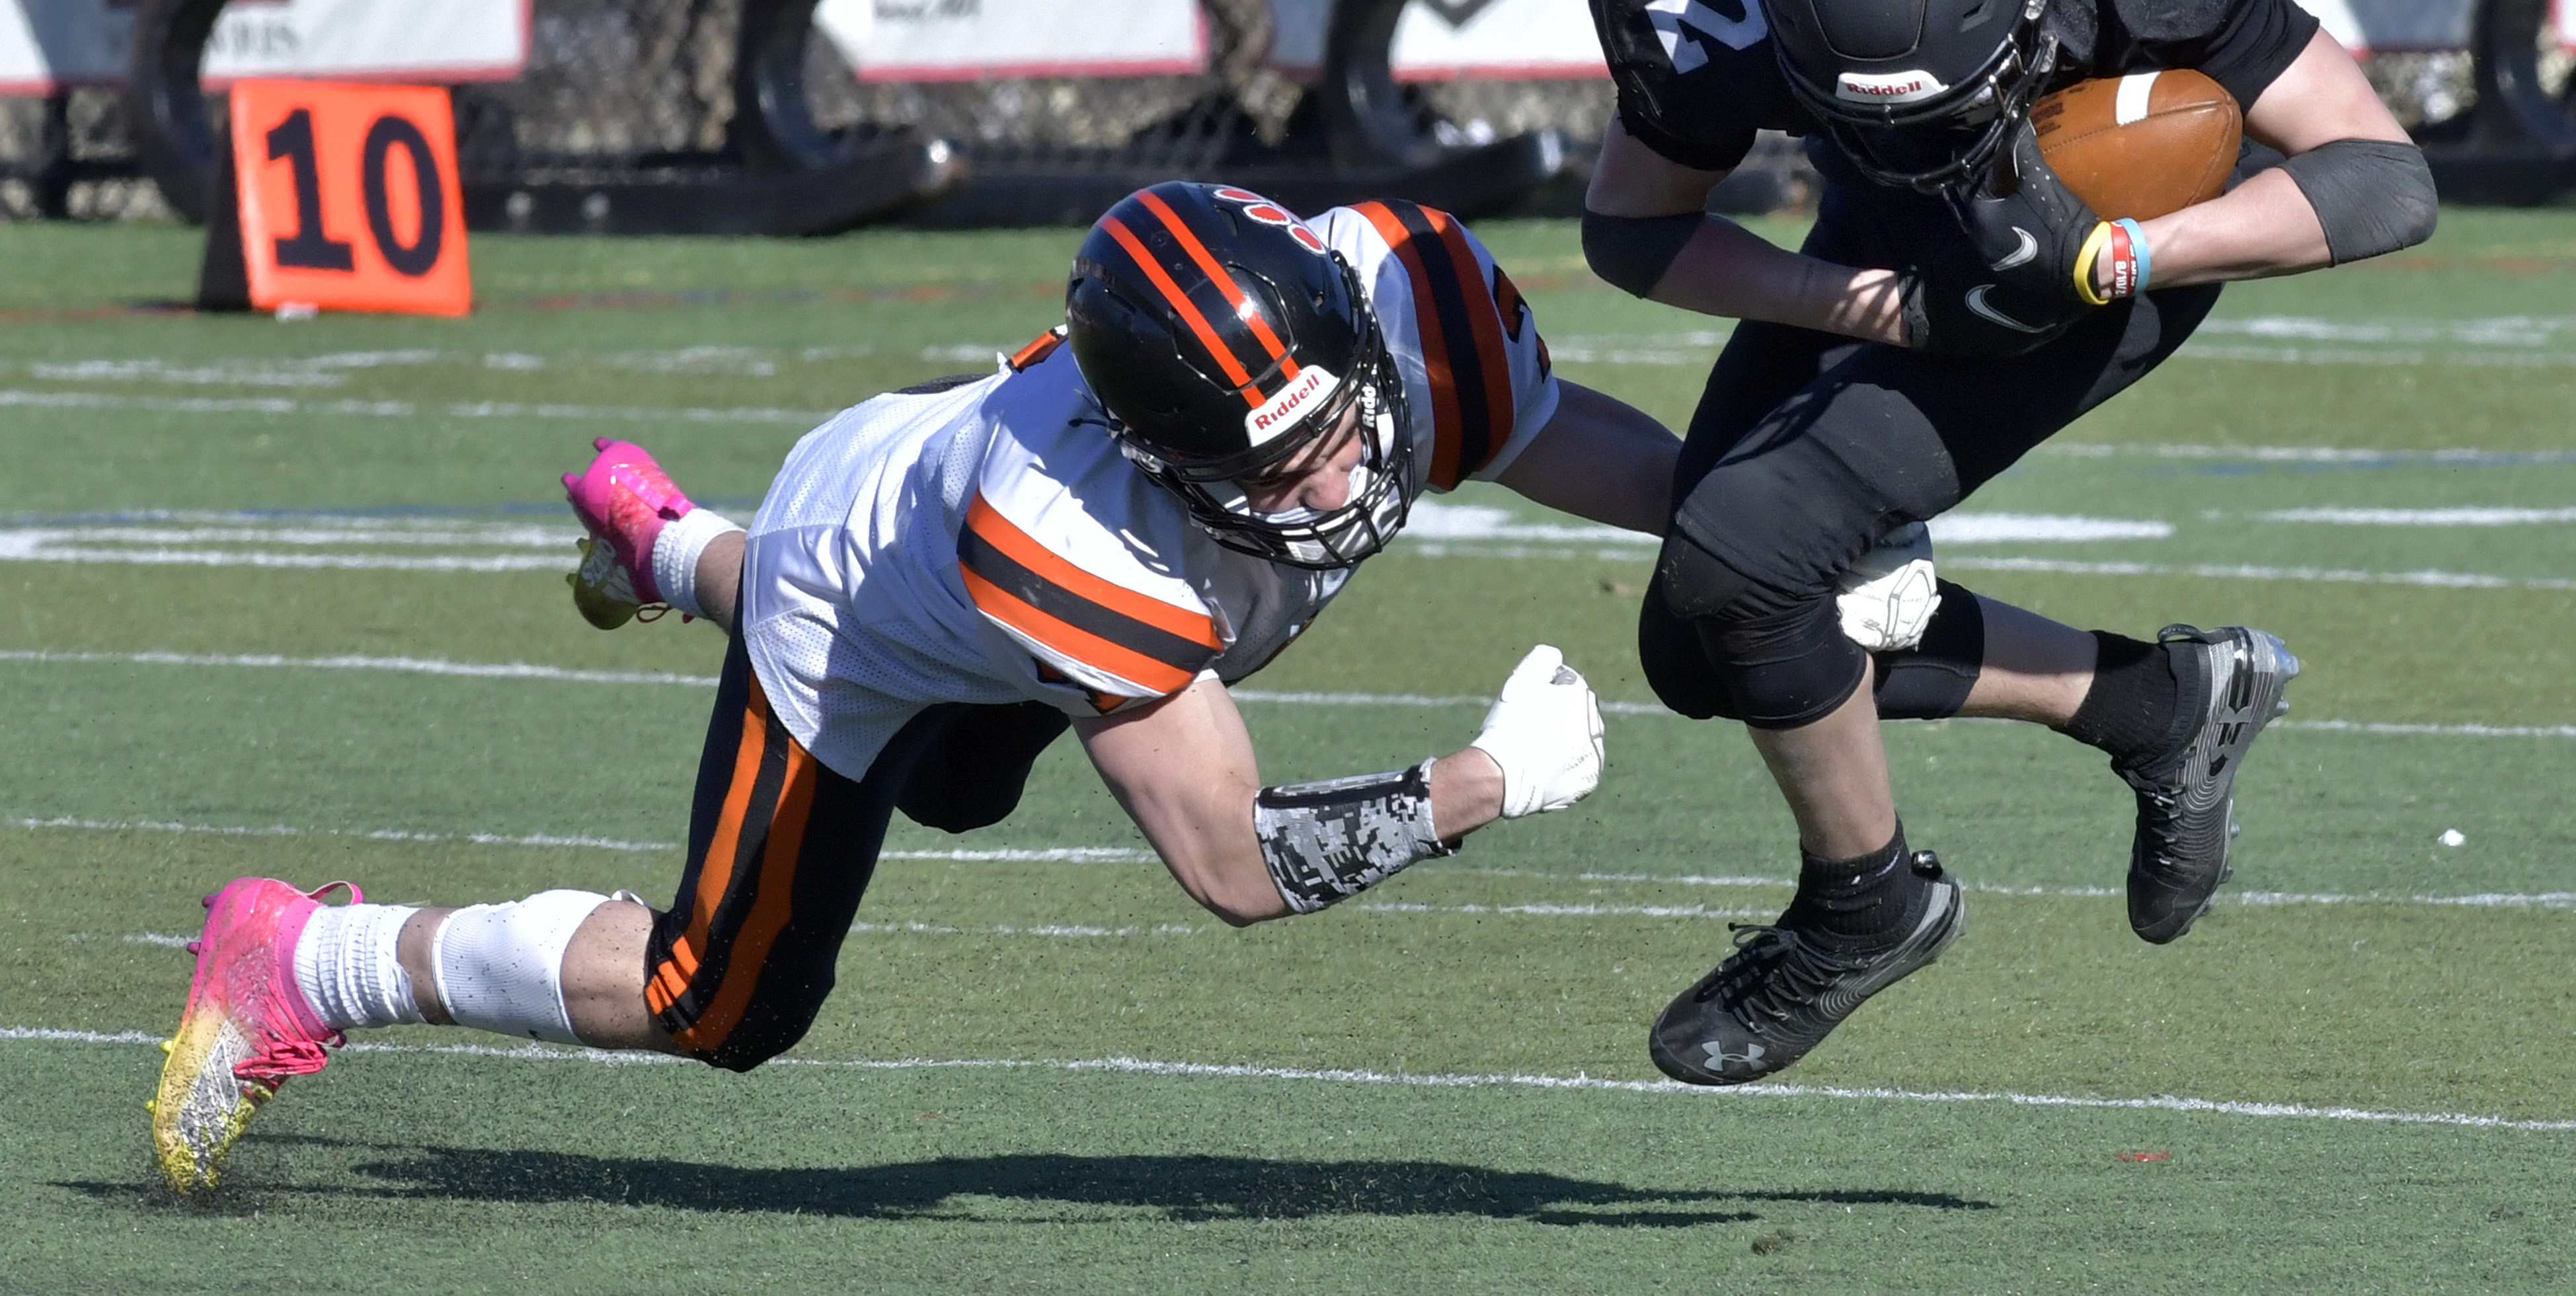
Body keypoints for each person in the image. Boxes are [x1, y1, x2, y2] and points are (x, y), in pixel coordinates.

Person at [149, 183, 1680, 1194]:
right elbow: (1232, 862)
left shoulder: (1398, 292)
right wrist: (1486, 782)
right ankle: (310, 956)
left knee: (962, 785)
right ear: (1163, 456)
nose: (1348, 476)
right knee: (721, 999)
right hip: (856, 596)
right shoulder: (1071, 540)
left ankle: (668, 546)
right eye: (1283, 464)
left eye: (1342, 419)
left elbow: (1537, 420)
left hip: (939, 538)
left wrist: (1743, 524)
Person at [1581, 0, 2438, 1085]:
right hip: (1881, 238)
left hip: (2107, 230)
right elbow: (1633, 231)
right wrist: (1878, 307)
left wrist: (2117, 257)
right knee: (1706, 640)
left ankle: (1864, 906)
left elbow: (2382, 175)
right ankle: (2159, 704)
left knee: (1744, 551)